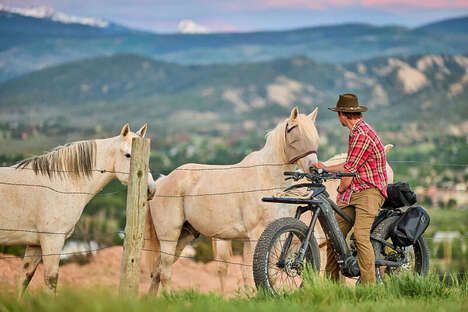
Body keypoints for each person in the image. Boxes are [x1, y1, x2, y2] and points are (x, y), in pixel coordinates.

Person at [314, 93, 388, 284]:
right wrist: (342, 190)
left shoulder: (361, 134)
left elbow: (349, 168)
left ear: (342, 114)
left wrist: (325, 169)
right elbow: (353, 168)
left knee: (361, 236)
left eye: (338, 113)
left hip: (371, 191)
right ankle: (332, 286)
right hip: (356, 189)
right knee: (334, 235)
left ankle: (368, 287)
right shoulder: (355, 131)